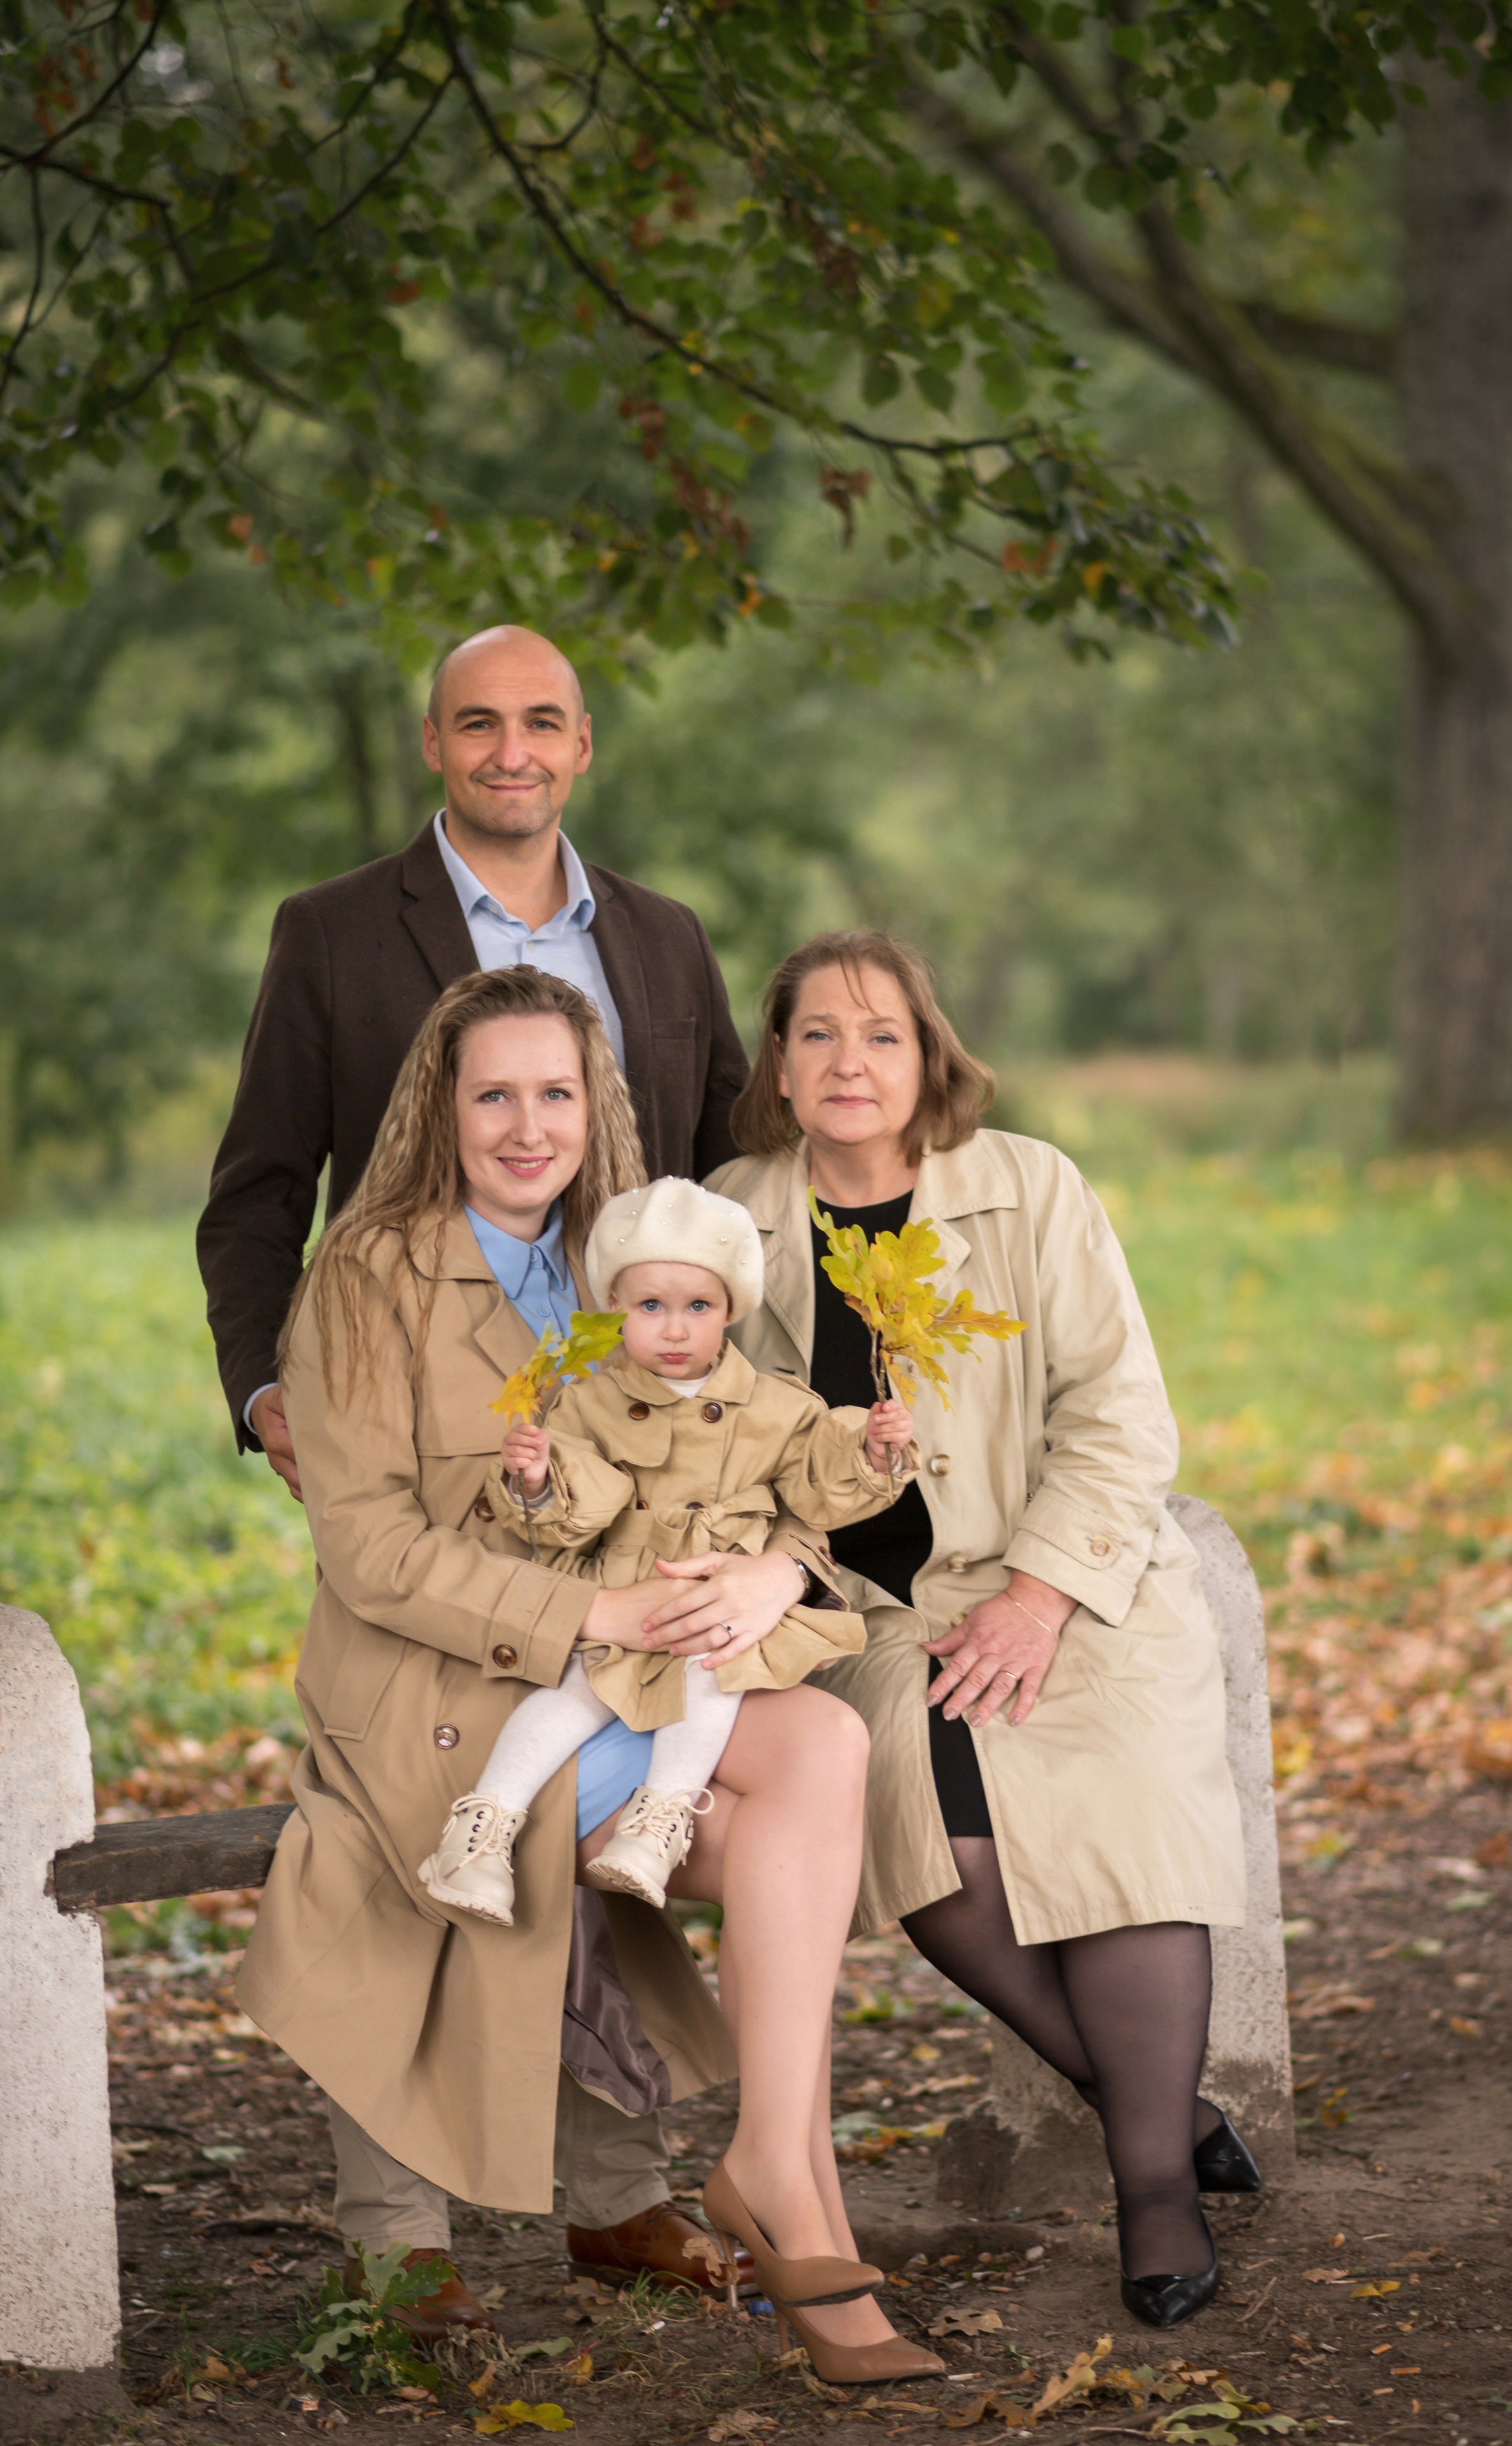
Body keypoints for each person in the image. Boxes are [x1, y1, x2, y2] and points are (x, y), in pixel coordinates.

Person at [238, 964, 942, 2386]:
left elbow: (756, 1451)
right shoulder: (366, 1278)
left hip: (646, 1660)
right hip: (449, 1683)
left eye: (554, 1091)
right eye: (492, 1094)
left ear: (594, 1101)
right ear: (439, 1106)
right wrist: (596, 1605)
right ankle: (787, 2189)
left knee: (822, 1748)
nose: (526, 1125)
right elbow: (371, 1551)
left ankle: (774, 2161)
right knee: (790, 1797)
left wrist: (780, 1567)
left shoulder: (639, 1255)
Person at [197, 626, 761, 2307]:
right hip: (418, 1502)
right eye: (477, 722)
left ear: (582, 745)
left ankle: (676, 2184)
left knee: (763, 1762)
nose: (510, 749)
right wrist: (269, 1392)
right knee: (420, 1814)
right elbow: (256, 1187)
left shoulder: (660, 942)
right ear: (435, 744)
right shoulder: (332, 944)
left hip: (599, 1536)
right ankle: (416, 2237)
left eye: (541, 721)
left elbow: (731, 1180)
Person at [711, 930, 1257, 2333]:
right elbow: (703, 1441)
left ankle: (1155, 2184)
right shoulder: (728, 1220)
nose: (849, 1060)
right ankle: (1162, 2104)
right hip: (858, 1608)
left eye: (881, 1033)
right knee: (929, 1836)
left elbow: (1119, 1411)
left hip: (1061, 1575)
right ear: (779, 1065)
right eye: (817, 1033)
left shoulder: (1029, 1185)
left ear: (927, 1056)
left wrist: (1039, 1592)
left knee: (1123, 1802)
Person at [419, 1174, 916, 1922]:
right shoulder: (585, 1402)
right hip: (627, 1592)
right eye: (650, 1306)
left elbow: (818, 1487)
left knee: (714, 1671)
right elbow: (576, 1512)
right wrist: (536, 1478)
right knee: (572, 1696)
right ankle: (480, 1833)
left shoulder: (778, 1406)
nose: (675, 1330)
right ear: (613, 1307)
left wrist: (873, 1453)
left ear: (731, 1309)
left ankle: (656, 1823)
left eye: (698, 1307)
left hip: (717, 1599)